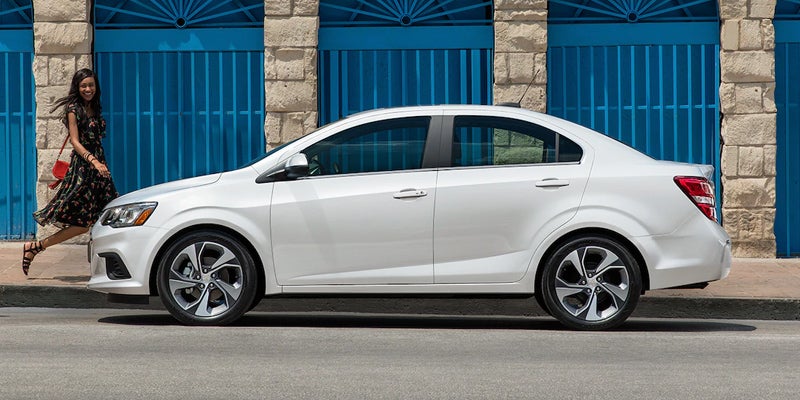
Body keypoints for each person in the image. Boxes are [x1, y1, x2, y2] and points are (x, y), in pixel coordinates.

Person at [21, 68, 118, 276]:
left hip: (99, 168)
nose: (88, 89)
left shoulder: (95, 106)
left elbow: (98, 141)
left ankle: (109, 264)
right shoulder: (73, 108)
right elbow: (75, 142)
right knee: (82, 224)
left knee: (109, 213)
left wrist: (101, 164)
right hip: (84, 168)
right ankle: (37, 247)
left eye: (91, 85)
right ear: (77, 87)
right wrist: (94, 162)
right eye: (84, 86)